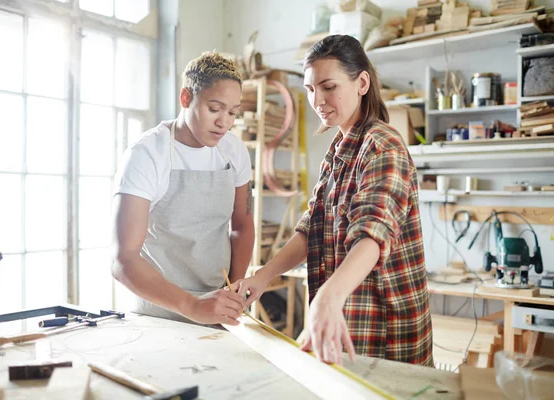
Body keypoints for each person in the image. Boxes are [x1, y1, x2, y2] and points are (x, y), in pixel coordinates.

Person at [234, 35, 433, 366]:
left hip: (385, 331)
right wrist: (263, 275)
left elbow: (373, 233)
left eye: (328, 87)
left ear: (362, 83)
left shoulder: (383, 145)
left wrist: (328, 297)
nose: (317, 100)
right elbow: (310, 228)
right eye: (311, 90)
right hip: (344, 321)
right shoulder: (337, 151)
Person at [111, 52, 254, 326]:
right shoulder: (147, 154)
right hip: (157, 312)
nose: (224, 122)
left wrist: (233, 292)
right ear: (186, 98)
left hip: (216, 305)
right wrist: (191, 305)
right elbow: (123, 259)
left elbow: (242, 227)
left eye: (232, 112)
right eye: (214, 108)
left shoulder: (233, 151)